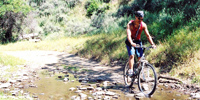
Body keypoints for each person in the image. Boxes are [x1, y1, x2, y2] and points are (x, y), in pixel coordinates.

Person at [125, 11, 156, 77]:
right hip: (130, 41)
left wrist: (152, 44)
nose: (140, 20)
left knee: (140, 57)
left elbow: (148, 35)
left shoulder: (143, 25)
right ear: (135, 17)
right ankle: (130, 70)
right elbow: (128, 35)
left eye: (142, 19)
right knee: (132, 55)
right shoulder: (130, 24)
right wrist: (131, 43)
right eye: (139, 18)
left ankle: (137, 71)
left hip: (138, 41)